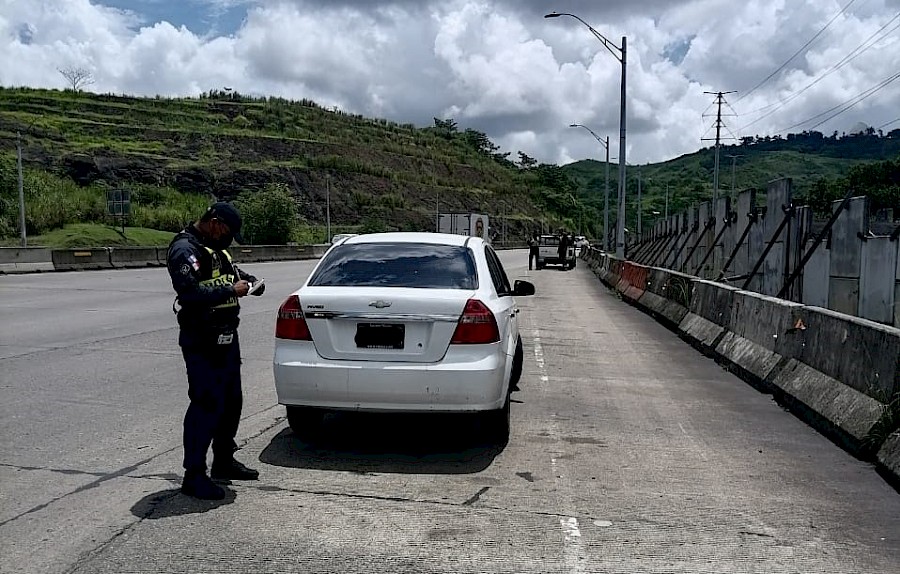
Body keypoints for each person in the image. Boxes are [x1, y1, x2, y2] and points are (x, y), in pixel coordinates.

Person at [166, 201, 265, 500]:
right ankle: (194, 475)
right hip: (201, 338)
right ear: (216, 222)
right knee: (205, 403)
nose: (229, 239)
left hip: (226, 337)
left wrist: (248, 282)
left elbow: (230, 272)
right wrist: (229, 291)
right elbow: (190, 292)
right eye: (229, 232)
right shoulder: (185, 249)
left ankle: (223, 460)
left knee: (231, 400)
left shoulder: (215, 248)